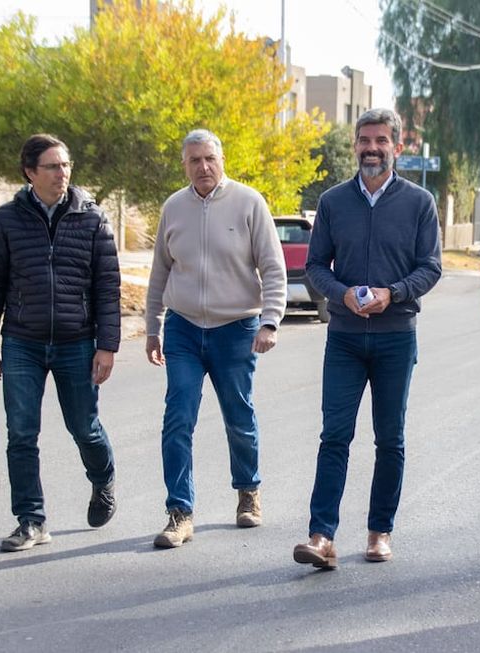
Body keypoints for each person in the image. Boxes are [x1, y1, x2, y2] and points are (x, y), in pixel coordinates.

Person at [292, 108, 442, 569]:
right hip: (344, 338)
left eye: (381, 141)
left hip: (397, 337)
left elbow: (431, 267)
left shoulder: (419, 203)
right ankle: (322, 536)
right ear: (355, 145)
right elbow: (315, 267)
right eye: (364, 140)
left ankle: (380, 532)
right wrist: (343, 295)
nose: (371, 149)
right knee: (334, 435)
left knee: (390, 439)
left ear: (397, 147)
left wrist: (391, 293)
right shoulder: (334, 202)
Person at [0, 133, 121, 552]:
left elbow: (107, 287)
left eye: (66, 165)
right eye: (53, 166)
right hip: (22, 341)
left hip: (78, 341)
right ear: (30, 172)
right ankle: (31, 520)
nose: (63, 173)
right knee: (21, 432)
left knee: (85, 428)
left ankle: (103, 479)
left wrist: (107, 345)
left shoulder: (92, 218)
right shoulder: (6, 220)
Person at [145, 129, 286, 549]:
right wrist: (153, 327)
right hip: (184, 328)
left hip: (236, 328)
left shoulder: (249, 202)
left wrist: (270, 322)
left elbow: (273, 267)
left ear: (221, 159)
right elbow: (159, 273)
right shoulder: (173, 207)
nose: (203, 167)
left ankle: (248, 491)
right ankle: (179, 512)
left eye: (209, 159)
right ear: (184, 165)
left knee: (238, 416)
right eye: (194, 161)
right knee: (178, 417)